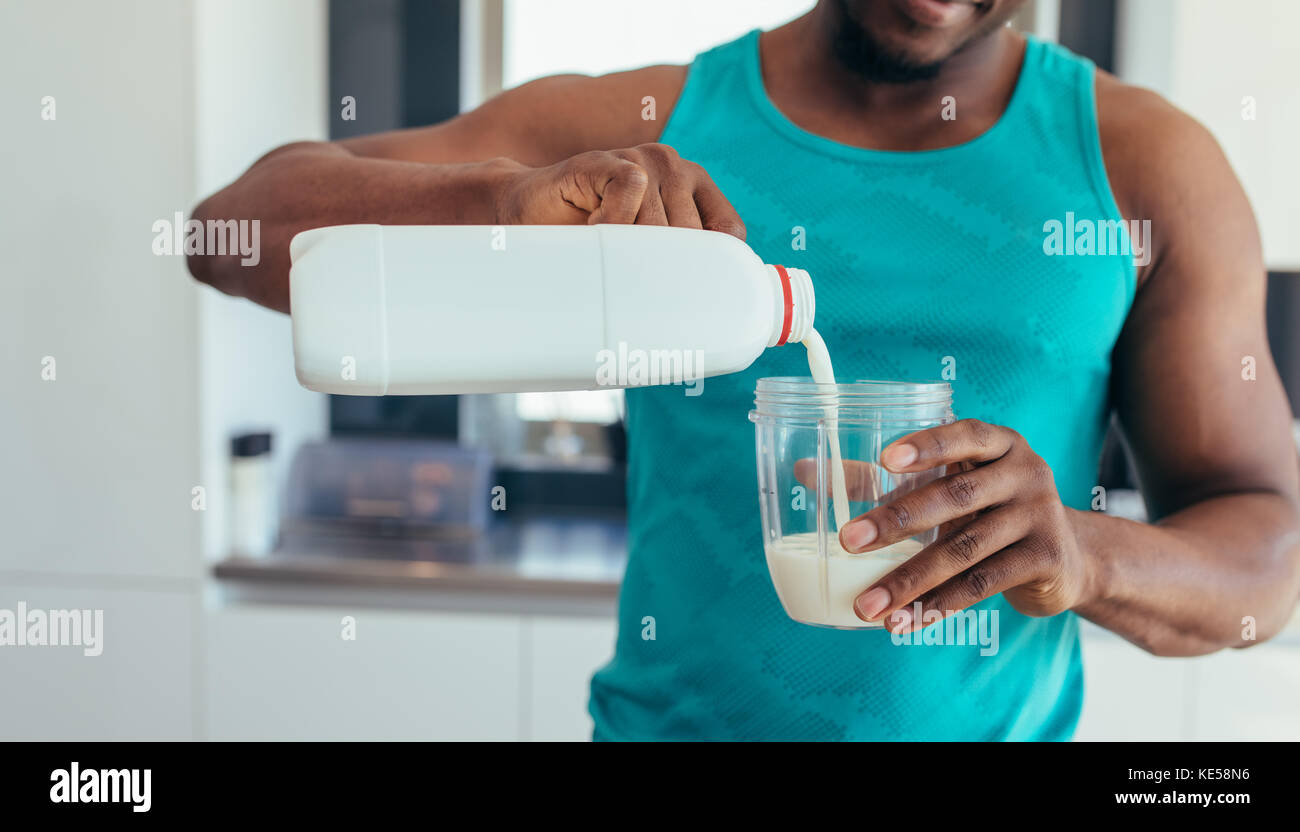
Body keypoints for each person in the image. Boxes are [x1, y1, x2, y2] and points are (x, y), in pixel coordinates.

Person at [188, 0, 1300, 740]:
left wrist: (1086, 550)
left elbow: (1271, 551)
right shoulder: (649, 122)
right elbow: (229, 229)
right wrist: (494, 202)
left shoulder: (1143, 166)